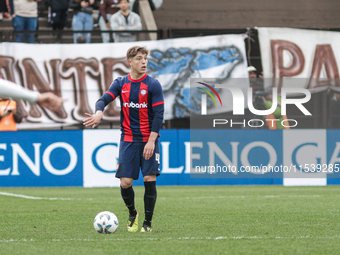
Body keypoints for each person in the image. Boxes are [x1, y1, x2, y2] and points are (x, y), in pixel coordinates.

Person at [83, 46, 164, 233]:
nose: (143, 62)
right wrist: (98, 113)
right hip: (128, 139)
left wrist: (152, 141)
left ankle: (147, 224)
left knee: (149, 179)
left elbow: (159, 114)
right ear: (129, 62)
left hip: (148, 139)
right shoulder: (121, 83)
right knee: (125, 182)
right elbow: (103, 99)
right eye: (139, 59)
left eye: (145, 58)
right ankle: (132, 213)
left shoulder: (153, 85)